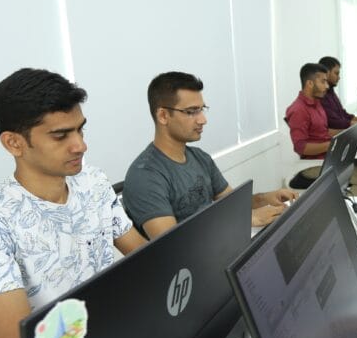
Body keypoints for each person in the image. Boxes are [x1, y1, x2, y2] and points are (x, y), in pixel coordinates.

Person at [0, 68, 146, 338]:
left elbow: (144, 256)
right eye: (61, 136)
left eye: (80, 130)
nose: (80, 145)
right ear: (14, 143)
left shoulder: (93, 182)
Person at [123, 72, 296, 238]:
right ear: (163, 115)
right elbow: (172, 247)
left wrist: (265, 198)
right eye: (191, 112)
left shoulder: (199, 157)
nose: (202, 120)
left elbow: (232, 203)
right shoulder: (145, 176)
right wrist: (242, 220)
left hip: (220, 246)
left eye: (201, 109)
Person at [285, 62, 357, 194]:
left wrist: (346, 134)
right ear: (310, 83)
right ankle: (339, 210)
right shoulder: (298, 110)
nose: (327, 86)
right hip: (313, 165)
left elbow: (323, 131)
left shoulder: (317, 103)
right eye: (323, 82)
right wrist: (331, 145)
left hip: (327, 158)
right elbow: (300, 147)